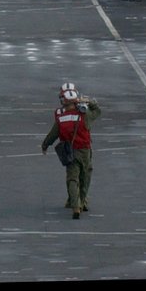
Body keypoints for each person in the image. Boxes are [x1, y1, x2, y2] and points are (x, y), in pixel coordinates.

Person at [41, 83, 101, 219]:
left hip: (70, 151)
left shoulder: (60, 118)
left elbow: (52, 135)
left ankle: (75, 205)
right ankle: (82, 201)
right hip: (85, 150)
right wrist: (89, 101)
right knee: (85, 176)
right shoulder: (84, 116)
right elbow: (97, 111)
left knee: (72, 179)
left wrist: (45, 145)